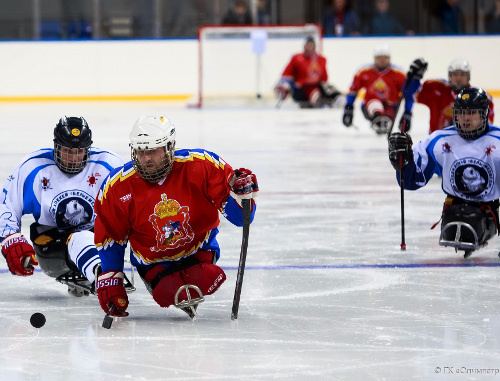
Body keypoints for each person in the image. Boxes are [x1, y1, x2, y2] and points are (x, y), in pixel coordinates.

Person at [93, 115, 259, 318]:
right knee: (166, 292)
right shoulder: (116, 188)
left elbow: (241, 218)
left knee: (208, 278)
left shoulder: (202, 166)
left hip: (200, 251)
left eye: (152, 151)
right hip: (153, 263)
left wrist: (243, 197)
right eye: (140, 151)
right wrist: (111, 279)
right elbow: (111, 237)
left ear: (169, 146)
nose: (146, 159)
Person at [0, 117, 127, 296]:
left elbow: (135, 203)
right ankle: (104, 278)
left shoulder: (110, 165)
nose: (74, 158)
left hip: (98, 241)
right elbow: (6, 205)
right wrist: (11, 240)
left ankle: (97, 271)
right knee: (80, 237)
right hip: (52, 245)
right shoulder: (33, 167)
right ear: (56, 147)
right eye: (67, 151)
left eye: (79, 151)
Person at [389, 88, 499, 258]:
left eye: (471, 113)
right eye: (461, 113)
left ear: (484, 114)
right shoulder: (438, 140)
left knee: (471, 218)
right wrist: (403, 163)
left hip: (487, 211)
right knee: (460, 217)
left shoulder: (497, 140)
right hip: (454, 210)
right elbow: (411, 181)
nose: (465, 118)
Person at [399, 58, 495, 134]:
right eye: (455, 74)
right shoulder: (436, 88)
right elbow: (409, 94)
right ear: (449, 76)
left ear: (468, 76)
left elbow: (487, 127)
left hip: (468, 144)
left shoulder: (481, 98)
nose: (458, 78)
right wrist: (414, 78)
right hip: (437, 144)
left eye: (462, 74)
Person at [342, 45, 406, 134]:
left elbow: (409, 95)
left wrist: (407, 113)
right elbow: (353, 90)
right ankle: (377, 117)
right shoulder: (363, 71)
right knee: (375, 104)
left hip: (391, 105)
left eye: (385, 57)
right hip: (369, 105)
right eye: (379, 57)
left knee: (386, 121)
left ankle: (382, 120)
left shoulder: (399, 74)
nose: (382, 60)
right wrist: (348, 108)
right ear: (375, 58)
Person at [274, 36, 342, 109]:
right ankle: (315, 101)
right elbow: (286, 75)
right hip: (300, 89)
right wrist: (285, 86)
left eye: (311, 45)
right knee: (282, 85)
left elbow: (324, 79)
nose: (309, 48)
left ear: (315, 47)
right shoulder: (296, 58)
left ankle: (336, 98)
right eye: (308, 45)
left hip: (315, 87)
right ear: (304, 46)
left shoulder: (321, 59)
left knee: (326, 88)